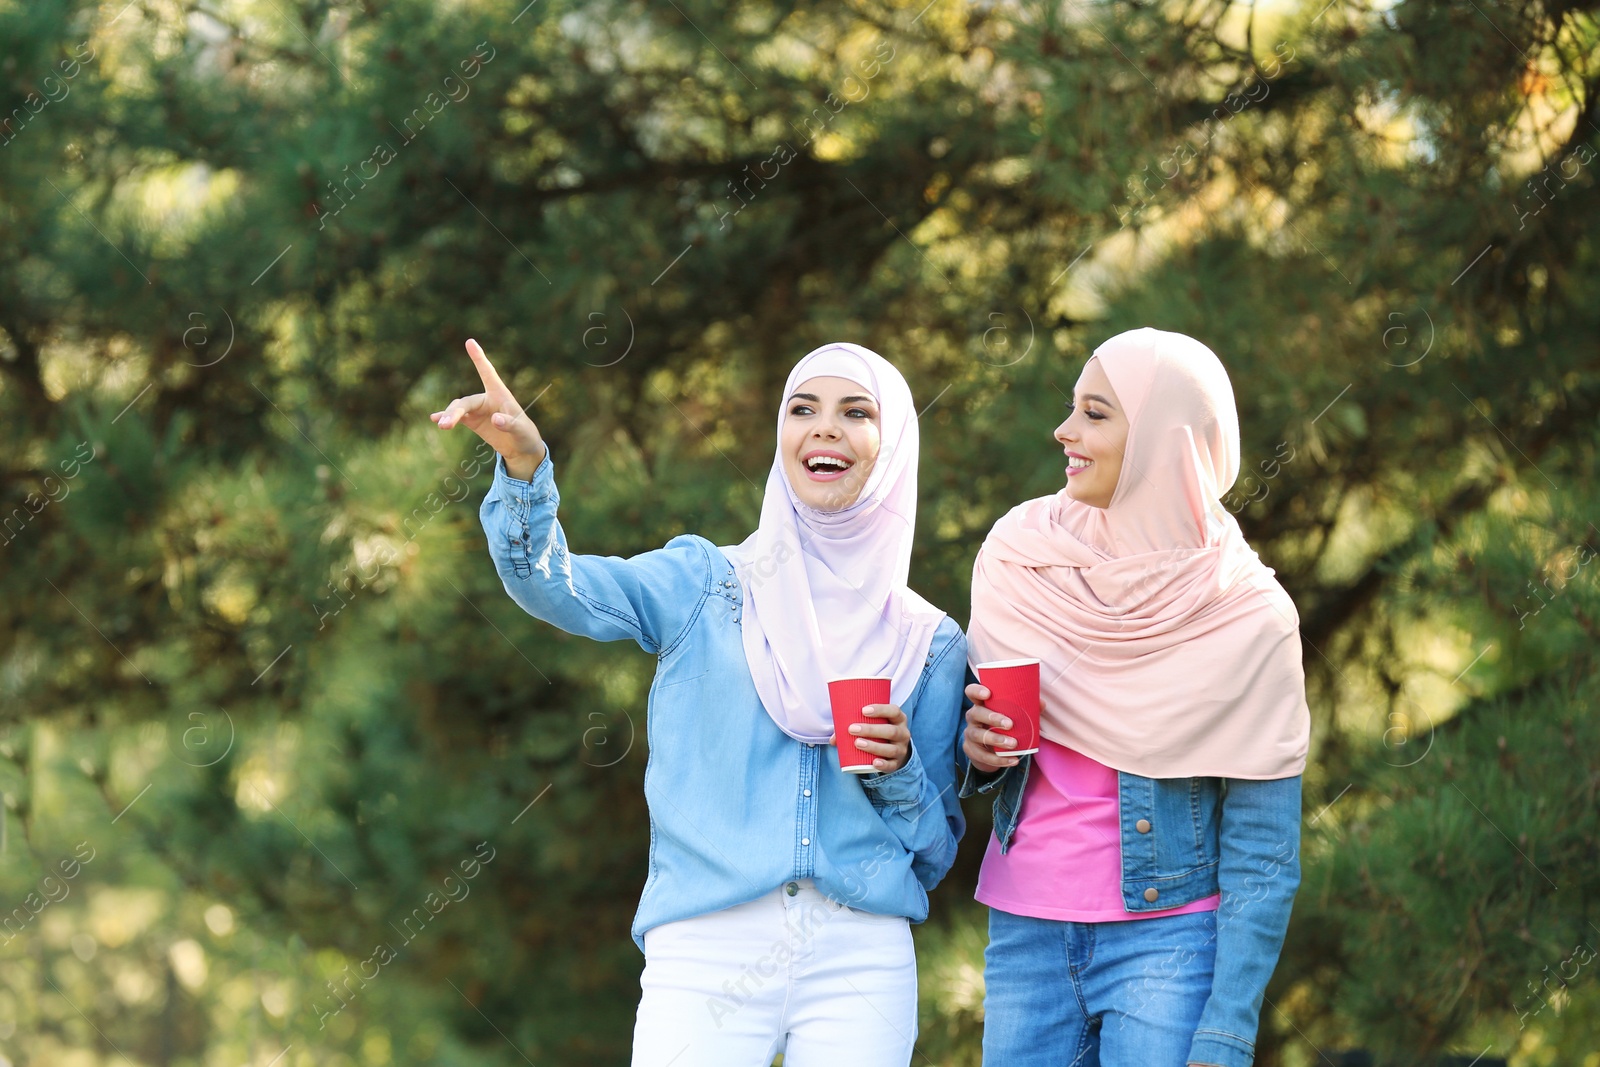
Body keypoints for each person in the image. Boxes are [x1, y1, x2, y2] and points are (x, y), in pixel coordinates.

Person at [432, 338, 967, 1066]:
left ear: (895, 444)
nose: (825, 427)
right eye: (802, 408)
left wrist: (898, 767)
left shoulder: (928, 643)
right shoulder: (706, 584)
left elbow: (934, 853)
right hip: (707, 943)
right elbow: (556, 585)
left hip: (861, 954)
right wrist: (525, 467)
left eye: (857, 412)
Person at [960, 327, 1309, 1067]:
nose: (1065, 430)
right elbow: (975, 738)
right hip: (1025, 928)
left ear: (1166, 438)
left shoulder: (1249, 615)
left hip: (1169, 940)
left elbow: (1264, 852)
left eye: (1096, 412)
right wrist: (979, 751)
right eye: (1072, 408)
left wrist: (1228, 1028)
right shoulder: (1021, 553)